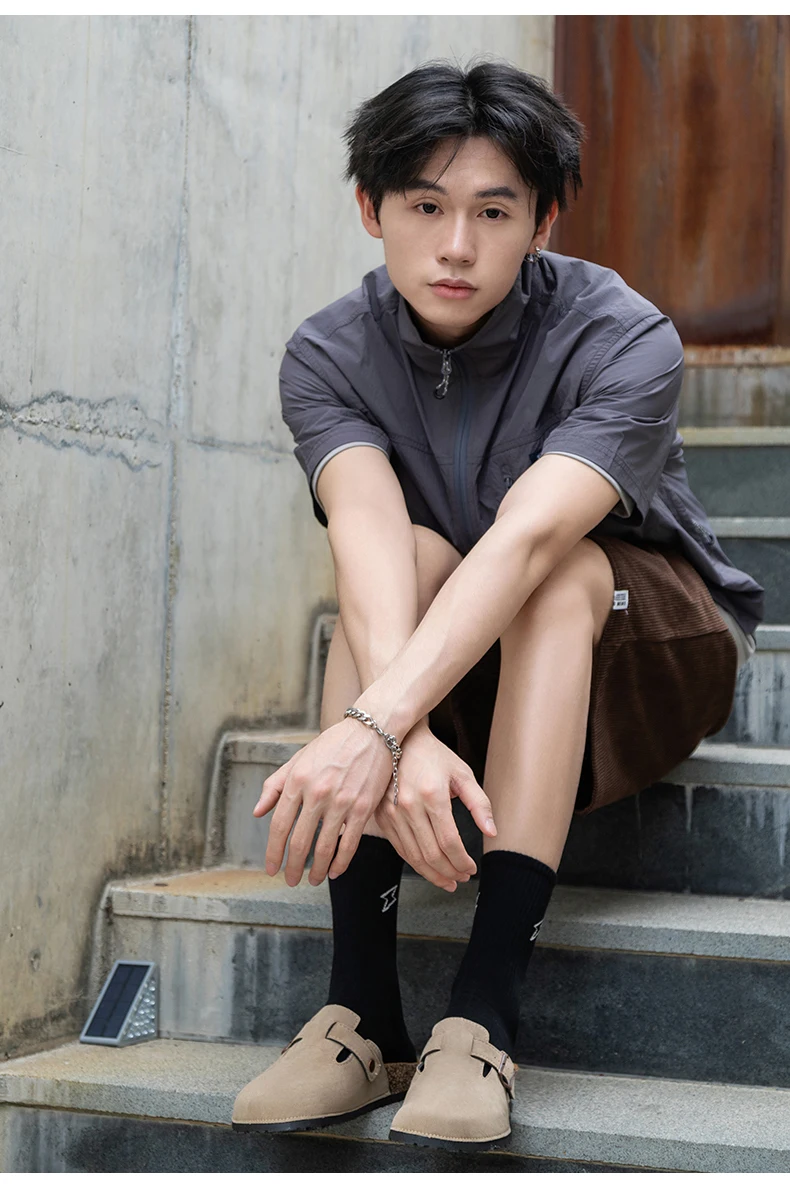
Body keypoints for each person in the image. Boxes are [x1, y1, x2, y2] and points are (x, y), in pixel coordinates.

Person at [231, 58, 763, 1151]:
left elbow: (527, 539)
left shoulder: (623, 335)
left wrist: (378, 726)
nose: (456, 246)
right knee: (407, 552)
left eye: (493, 211)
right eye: (425, 207)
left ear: (542, 221)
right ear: (371, 208)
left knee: (553, 570)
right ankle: (360, 1015)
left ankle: (482, 1013)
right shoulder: (328, 353)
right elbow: (369, 535)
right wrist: (402, 732)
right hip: (458, 671)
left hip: (647, 654)